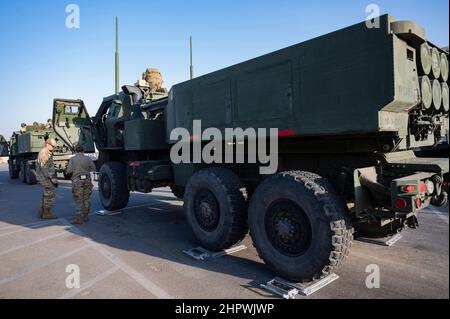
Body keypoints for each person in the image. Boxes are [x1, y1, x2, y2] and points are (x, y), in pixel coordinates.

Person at [67, 143, 96, 224]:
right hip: (87, 180)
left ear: (75, 150)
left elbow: (69, 171)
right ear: (83, 150)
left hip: (77, 180)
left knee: (78, 199)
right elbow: (93, 168)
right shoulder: (88, 158)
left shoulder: (73, 159)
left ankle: (78, 218)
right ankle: (85, 216)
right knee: (86, 198)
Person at [35, 138, 58, 219]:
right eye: (53, 146)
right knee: (49, 195)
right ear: (47, 144)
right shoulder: (44, 153)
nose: (54, 147)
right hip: (45, 178)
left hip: (45, 177)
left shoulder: (48, 152)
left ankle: (41, 213)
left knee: (45, 195)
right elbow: (44, 167)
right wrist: (52, 178)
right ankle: (46, 213)